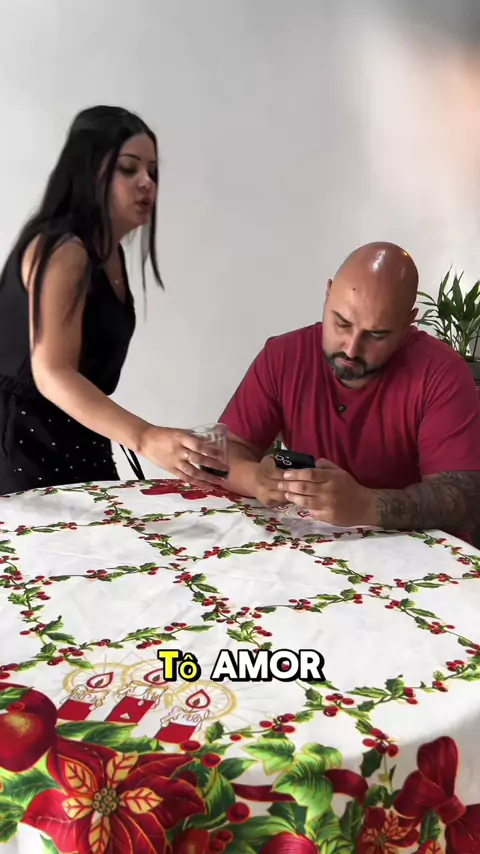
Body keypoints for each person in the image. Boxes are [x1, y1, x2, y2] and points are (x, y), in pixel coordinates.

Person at [0, 105, 222, 494]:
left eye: (153, 171)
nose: (147, 183)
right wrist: (146, 437)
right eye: (128, 168)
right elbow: (52, 372)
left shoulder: (108, 254)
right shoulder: (65, 250)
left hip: (76, 435)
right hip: (22, 443)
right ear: (88, 171)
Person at [218, 241, 480, 540]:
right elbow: (226, 450)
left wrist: (368, 505)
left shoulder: (442, 373)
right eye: (342, 323)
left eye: (376, 335)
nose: (352, 349)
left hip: (415, 552)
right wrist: (254, 479)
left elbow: (465, 497)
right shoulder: (283, 356)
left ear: (408, 321)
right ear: (328, 294)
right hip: (314, 545)